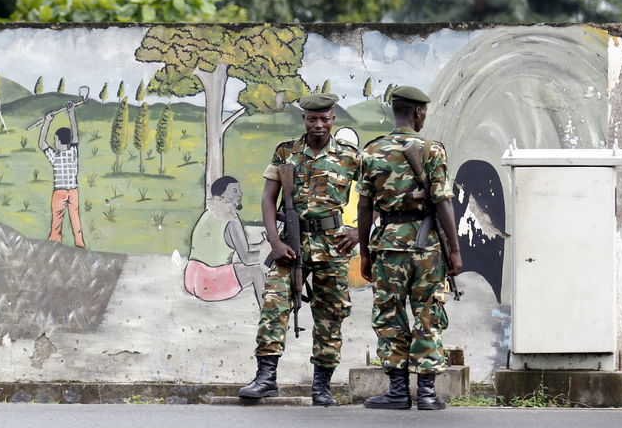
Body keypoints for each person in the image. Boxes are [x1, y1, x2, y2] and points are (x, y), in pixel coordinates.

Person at [238, 93, 360, 407]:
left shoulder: (350, 156)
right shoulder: (286, 151)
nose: (318, 124)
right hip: (290, 244)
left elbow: (375, 194)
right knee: (274, 305)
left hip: (333, 246)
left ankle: (322, 387)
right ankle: (266, 377)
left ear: (333, 120)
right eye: (311, 119)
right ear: (304, 120)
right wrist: (274, 241)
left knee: (330, 315)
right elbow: (268, 198)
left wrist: (359, 231)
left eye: (324, 119)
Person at [356, 86, 462, 411]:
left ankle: (398, 391)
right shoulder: (432, 149)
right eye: (424, 112)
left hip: (388, 246)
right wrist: (455, 251)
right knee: (428, 314)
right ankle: (427, 393)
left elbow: (363, 207)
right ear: (417, 112)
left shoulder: (371, 150)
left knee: (389, 314)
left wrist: (364, 253)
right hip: (427, 247)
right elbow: (443, 202)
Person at [184, 175, 267, 306]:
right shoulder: (231, 219)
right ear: (222, 195)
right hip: (209, 283)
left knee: (241, 263)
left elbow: (232, 249)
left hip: (191, 277)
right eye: (234, 191)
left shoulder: (208, 213)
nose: (240, 194)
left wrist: (259, 245)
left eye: (239, 190)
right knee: (257, 271)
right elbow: (247, 259)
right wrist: (267, 250)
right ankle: (268, 317)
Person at [39, 101, 85, 248]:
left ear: (58, 141)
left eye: (55, 140)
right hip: (73, 191)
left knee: (56, 221)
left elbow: (41, 143)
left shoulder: (55, 157)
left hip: (59, 192)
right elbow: (75, 135)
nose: (54, 142)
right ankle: (79, 243)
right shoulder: (73, 153)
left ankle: (54, 242)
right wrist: (71, 113)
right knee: (75, 218)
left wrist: (47, 121)